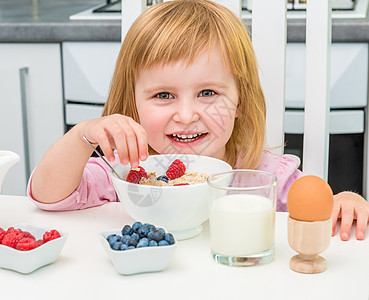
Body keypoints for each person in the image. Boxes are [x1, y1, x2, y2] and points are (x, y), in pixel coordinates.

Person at [28, 0, 369, 241]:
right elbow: (48, 197)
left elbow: (313, 209)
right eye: (163, 95)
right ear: (133, 102)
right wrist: (81, 136)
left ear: (239, 102)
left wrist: (345, 202)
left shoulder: (264, 175)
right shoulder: (124, 173)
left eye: (208, 93)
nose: (188, 115)